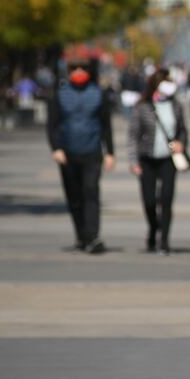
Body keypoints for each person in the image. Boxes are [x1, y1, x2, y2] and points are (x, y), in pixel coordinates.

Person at [47, 58, 115, 253]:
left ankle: (93, 237)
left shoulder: (98, 94)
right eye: (74, 68)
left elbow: (106, 126)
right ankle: (81, 236)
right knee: (74, 197)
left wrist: (110, 152)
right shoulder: (60, 95)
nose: (78, 71)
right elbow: (52, 125)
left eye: (83, 68)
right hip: (67, 153)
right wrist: (56, 148)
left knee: (91, 192)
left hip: (92, 152)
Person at [128, 69, 188, 255]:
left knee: (167, 199)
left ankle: (165, 241)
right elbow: (133, 136)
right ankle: (153, 229)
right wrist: (133, 161)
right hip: (147, 159)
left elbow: (182, 130)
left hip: (168, 160)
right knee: (149, 201)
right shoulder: (142, 107)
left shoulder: (176, 106)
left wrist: (181, 143)